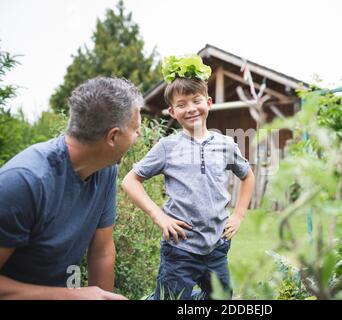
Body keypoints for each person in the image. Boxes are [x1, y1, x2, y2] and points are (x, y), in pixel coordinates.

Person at [122, 54, 255, 300]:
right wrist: (159, 216)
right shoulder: (167, 147)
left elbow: (248, 176)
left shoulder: (225, 144)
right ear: (172, 112)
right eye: (182, 104)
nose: (191, 108)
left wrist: (238, 214)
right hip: (179, 250)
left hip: (217, 246)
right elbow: (130, 180)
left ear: (209, 102)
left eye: (196, 100)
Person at [0, 77, 143, 299]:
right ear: (113, 136)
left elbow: (101, 252)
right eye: (136, 129)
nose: (139, 136)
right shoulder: (24, 181)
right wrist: (71, 296)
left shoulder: (105, 170)